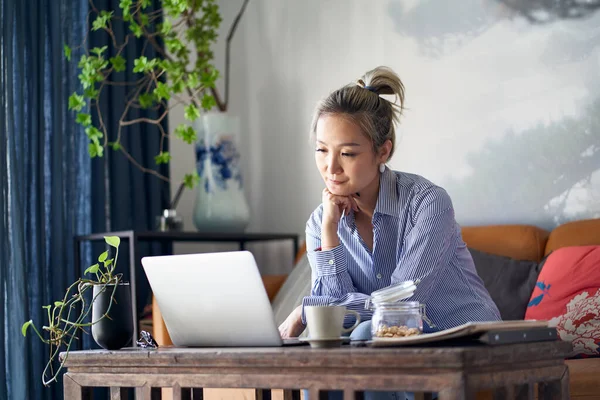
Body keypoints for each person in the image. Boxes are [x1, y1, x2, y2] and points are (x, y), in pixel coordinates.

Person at [278, 66, 501, 399]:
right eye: (322, 150)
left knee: (372, 333)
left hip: (467, 343)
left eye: (348, 153)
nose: (331, 167)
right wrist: (329, 233)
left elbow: (402, 306)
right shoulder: (319, 222)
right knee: (329, 360)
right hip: (384, 343)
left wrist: (308, 309)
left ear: (383, 151)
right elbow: (333, 319)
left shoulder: (428, 203)